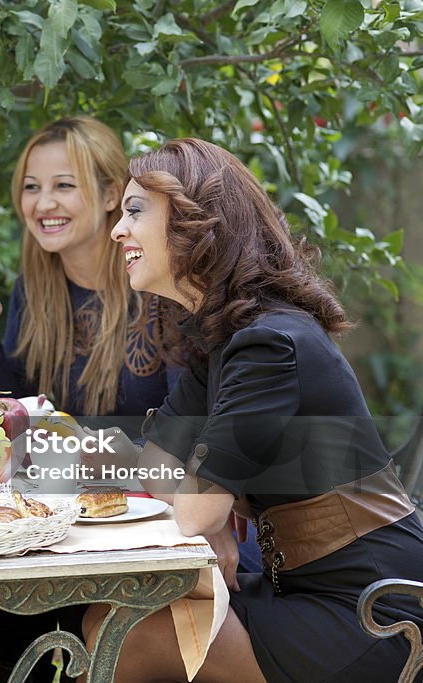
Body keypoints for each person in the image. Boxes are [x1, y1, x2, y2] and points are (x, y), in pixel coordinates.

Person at [81, 137, 423, 682]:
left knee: (127, 638)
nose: (118, 230)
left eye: (135, 211)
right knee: (108, 621)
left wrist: (207, 500)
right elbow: (155, 469)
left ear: (196, 222)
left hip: (372, 610)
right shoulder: (220, 340)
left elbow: (195, 512)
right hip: (307, 588)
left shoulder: (268, 343)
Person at [0, 117, 176, 682]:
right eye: (32, 186)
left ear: (107, 196)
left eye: (63, 185)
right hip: (55, 520)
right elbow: (18, 413)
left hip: (142, 526)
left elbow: (186, 426)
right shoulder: (37, 286)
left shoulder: (157, 285)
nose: (43, 202)